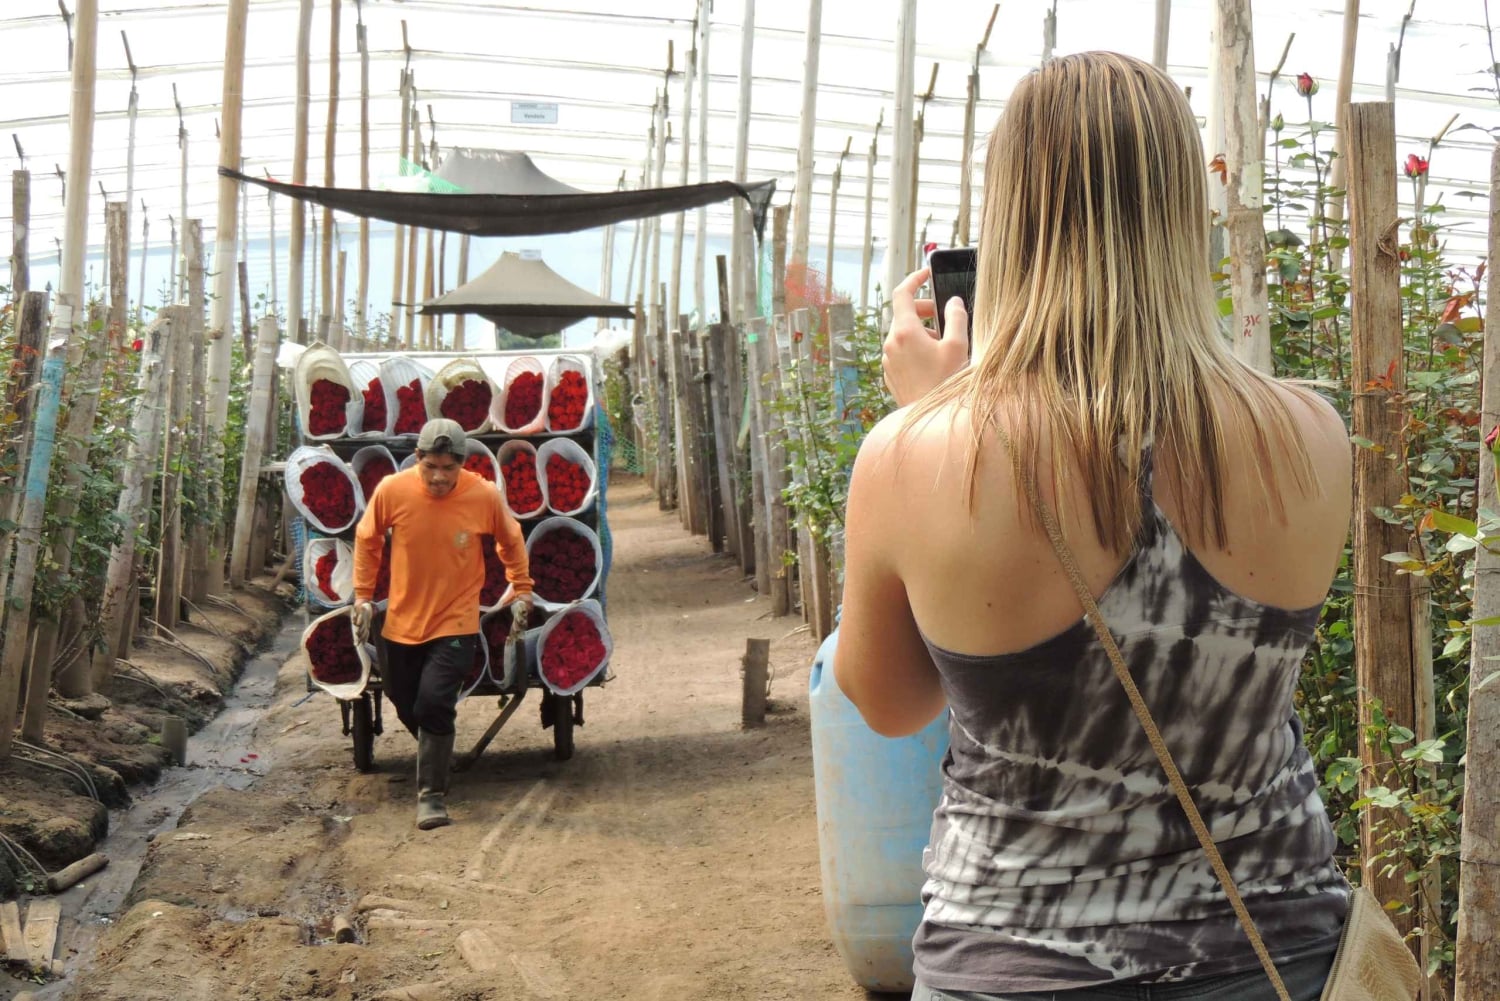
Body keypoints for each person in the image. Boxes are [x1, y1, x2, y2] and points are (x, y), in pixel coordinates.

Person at [835, 52, 1354, 1001]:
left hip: (1014, 963)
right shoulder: (1313, 436)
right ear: (1180, 211)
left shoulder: (911, 457)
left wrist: (936, 417)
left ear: (1011, 221)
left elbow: (889, 702)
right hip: (1277, 956)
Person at [352, 418, 533, 831]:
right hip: (401, 621)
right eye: (430, 466)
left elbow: (510, 538)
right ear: (417, 458)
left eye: (448, 468)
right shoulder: (392, 490)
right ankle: (437, 749)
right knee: (404, 699)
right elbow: (367, 538)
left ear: (462, 464)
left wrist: (522, 589)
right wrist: (362, 596)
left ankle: (431, 795)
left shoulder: (482, 495)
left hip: (456, 620)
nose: (438, 477)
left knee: (434, 701)